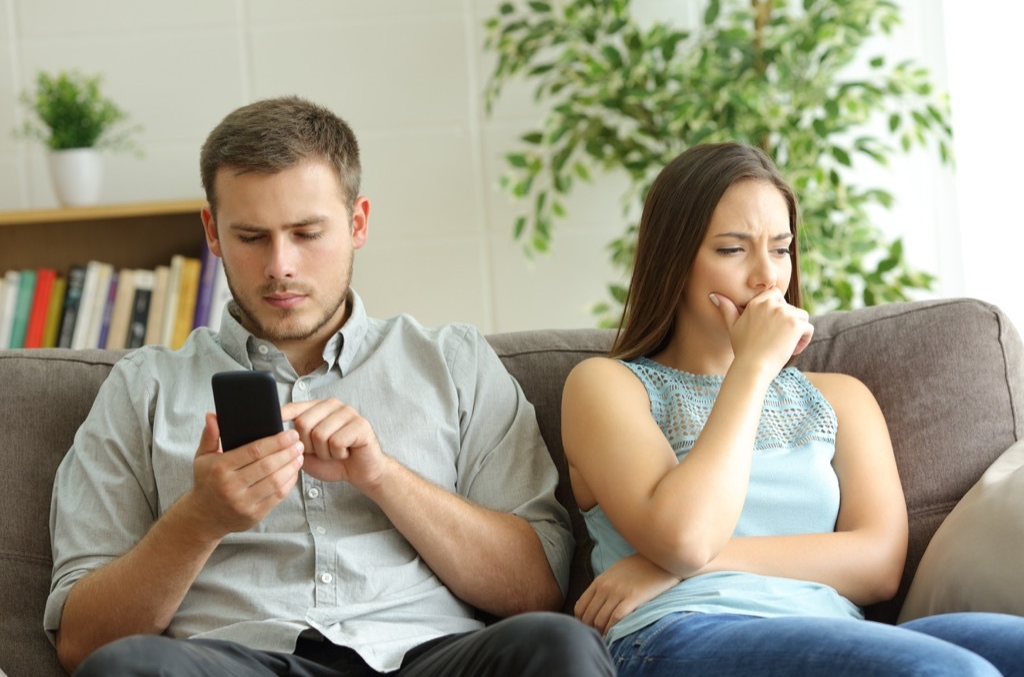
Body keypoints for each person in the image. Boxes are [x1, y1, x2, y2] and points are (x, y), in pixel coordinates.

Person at [46, 96, 614, 677]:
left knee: (557, 644)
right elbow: (82, 642)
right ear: (212, 232)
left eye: (307, 233)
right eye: (252, 237)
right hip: (236, 663)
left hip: (428, 658)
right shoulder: (142, 388)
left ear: (357, 223)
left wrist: (383, 477)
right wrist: (201, 519)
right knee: (126, 668)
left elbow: (536, 588)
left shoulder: (454, 363)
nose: (281, 265)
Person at [560, 141, 1024, 676]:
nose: (767, 277)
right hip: (680, 631)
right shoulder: (607, 387)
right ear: (674, 262)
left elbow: (878, 566)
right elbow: (685, 539)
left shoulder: (841, 398)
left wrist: (674, 568)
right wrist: (752, 368)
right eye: (732, 250)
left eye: (780, 249)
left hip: (837, 632)